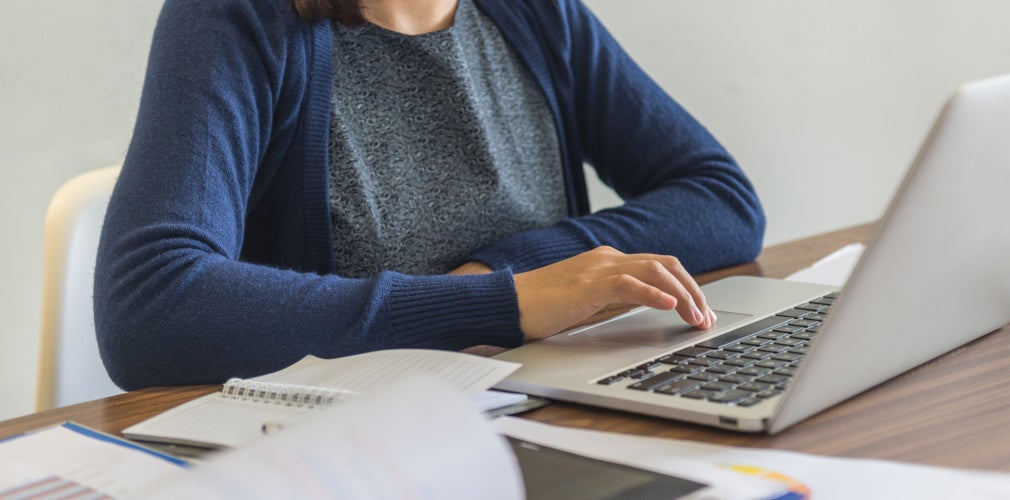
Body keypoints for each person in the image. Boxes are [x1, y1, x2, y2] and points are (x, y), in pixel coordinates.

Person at [94, 0, 765, 390]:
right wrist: (503, 303)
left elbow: (721, 199)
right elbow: (150, 311)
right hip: (349, 451)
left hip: (537, 413)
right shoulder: (235, 18)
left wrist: (512, 268)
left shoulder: (531, 11)